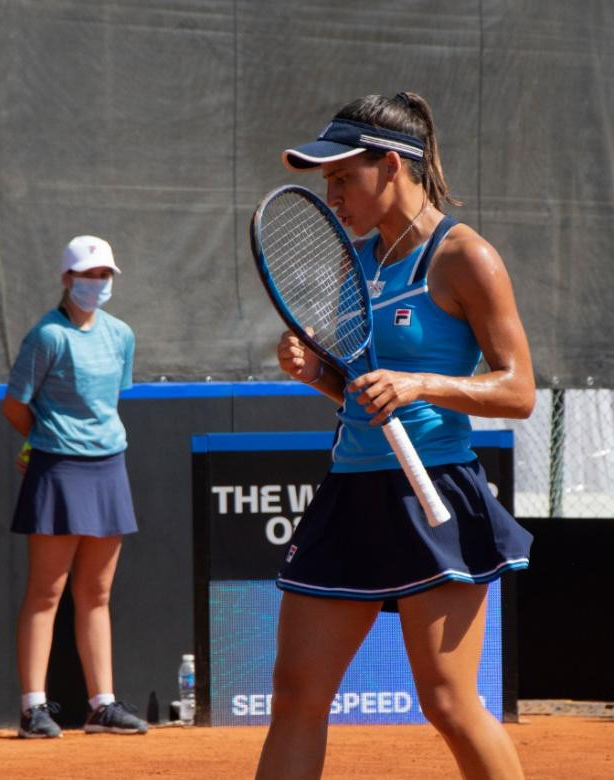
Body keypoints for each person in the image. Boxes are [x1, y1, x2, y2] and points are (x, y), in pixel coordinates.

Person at [254, 93, 535, 780]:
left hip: (433, 489)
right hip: (350, 490)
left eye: (344, 177)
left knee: (447, 701)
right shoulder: (357, 263)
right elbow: (362, 392)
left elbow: (518, 389)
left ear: (392, 165)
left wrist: (420, 384)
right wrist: (319, 374)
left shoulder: (466, 257)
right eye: (327, 181)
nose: (333, 194)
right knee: (295, 695)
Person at [1, 235, 148, 739]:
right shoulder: (46, 337)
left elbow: (109, 402)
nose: (97, 283)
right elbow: (15, 406)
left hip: (109, 467)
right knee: (47, 592)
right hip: (58, 468)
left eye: (104, 275)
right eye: (87, 276)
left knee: (97, 592)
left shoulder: (121, 335)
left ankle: (101, 705)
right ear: (67, 279)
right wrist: (41, 442)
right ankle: (32, 708)